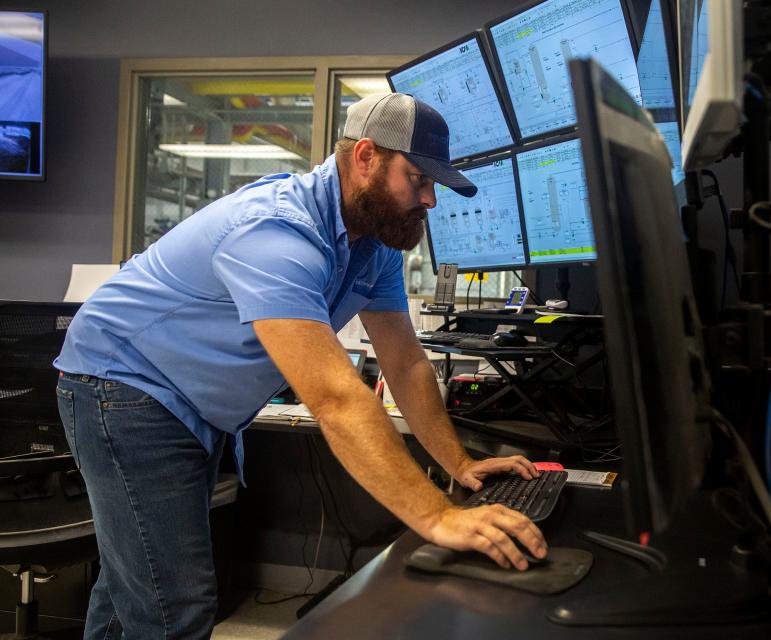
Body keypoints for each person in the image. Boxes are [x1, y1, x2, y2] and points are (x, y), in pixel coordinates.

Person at [54, 93, 547, 639]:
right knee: (173, 607)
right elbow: (335, 398)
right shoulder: (276, 232)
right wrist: (438, 517)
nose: (429, 200)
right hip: (123, 386)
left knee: (135, 585)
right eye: (418, 179)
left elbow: (404, 362)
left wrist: (457, 465)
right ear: (366, 157)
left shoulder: (375, 246)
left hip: (190, 401)